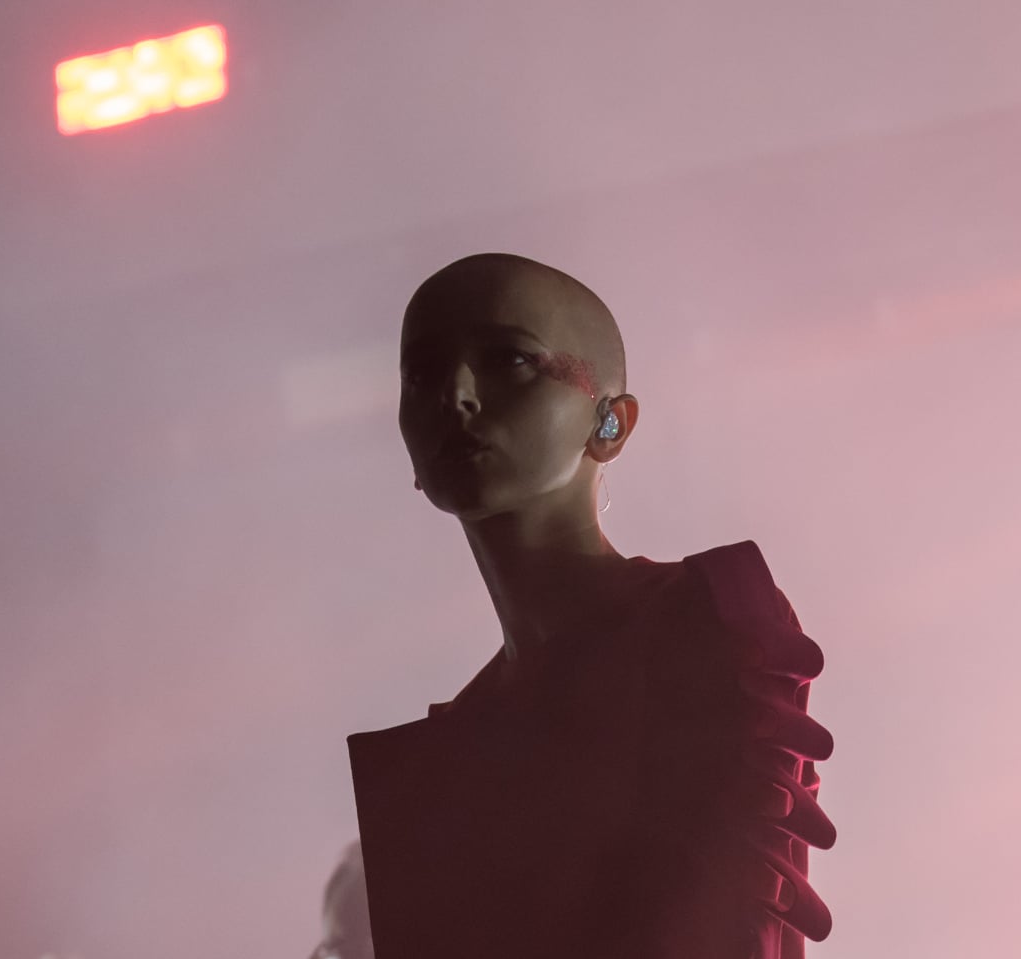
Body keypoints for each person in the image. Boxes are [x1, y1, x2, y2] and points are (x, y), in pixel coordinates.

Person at [345, 253, 835, 959]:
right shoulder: (436, 764)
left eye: (509, 359)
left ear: (612, 421)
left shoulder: (706, 618)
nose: (455, 394)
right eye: (420, 373)